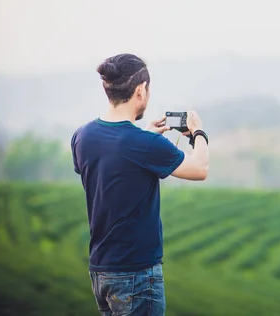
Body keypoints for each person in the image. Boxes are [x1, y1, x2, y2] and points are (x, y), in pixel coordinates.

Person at [70, 53, 209, 316]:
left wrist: (143, 135)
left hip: (101, 271)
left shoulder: (82, 136)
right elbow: (200, 169)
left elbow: (114, 162)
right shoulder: (144, 144)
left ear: (106, 87)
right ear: (141, 90)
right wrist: (198, 133)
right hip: (136, 274)